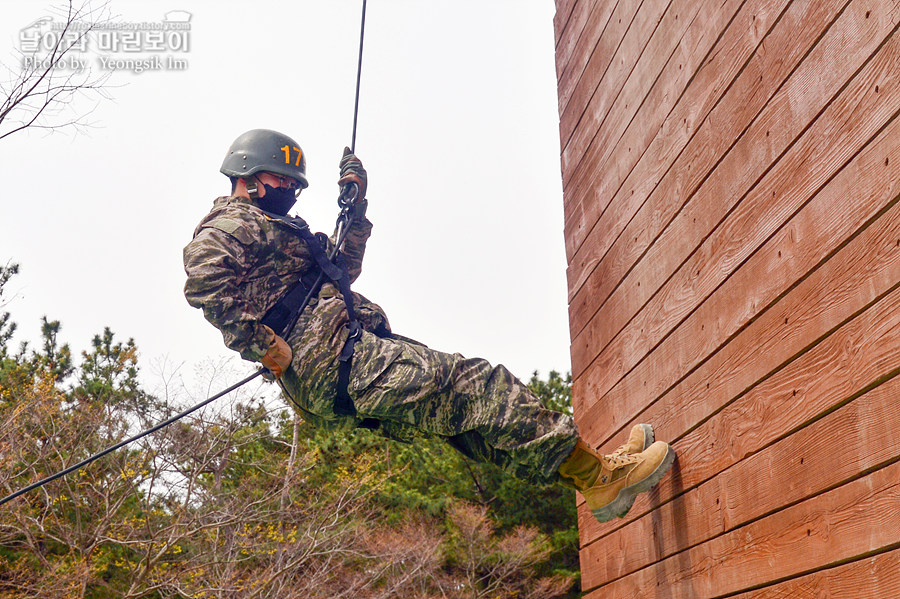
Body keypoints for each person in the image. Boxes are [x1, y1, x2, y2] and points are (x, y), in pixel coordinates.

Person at [182, 129, 675, 523]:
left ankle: (595, 476)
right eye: (282, 181)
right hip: (336, 363)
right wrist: (266, 348)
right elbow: (204, 284)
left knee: (468, 424)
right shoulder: (232, 224)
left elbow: (341, 274)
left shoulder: (273, 229)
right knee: (479, 384)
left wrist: (355, 207)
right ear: (246, 176)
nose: (290, 191)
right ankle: (601, 476)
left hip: (345, 357)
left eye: (295, 184)